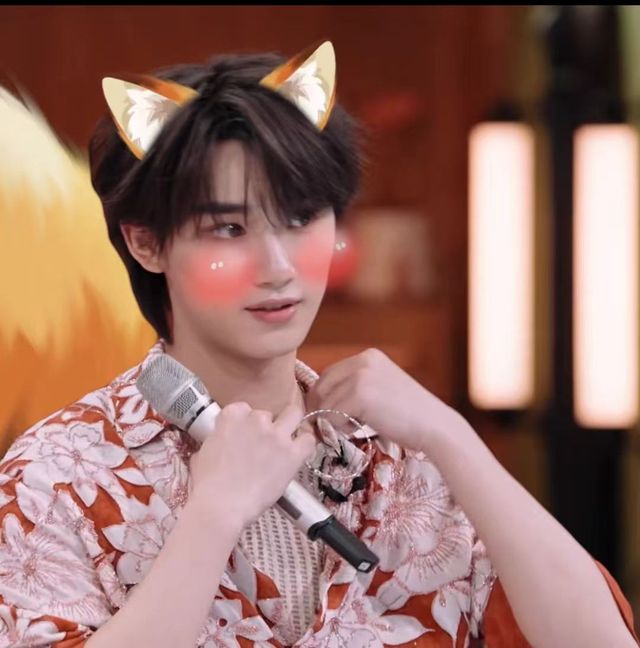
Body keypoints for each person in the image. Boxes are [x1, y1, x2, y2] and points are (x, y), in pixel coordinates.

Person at [0, 41, 636, 648]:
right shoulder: (55, 476)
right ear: (146, 243)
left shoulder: (403, 454)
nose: (278, 266)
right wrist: (212, 517)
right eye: (228, 228)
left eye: (302, 218)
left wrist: (451, 436)